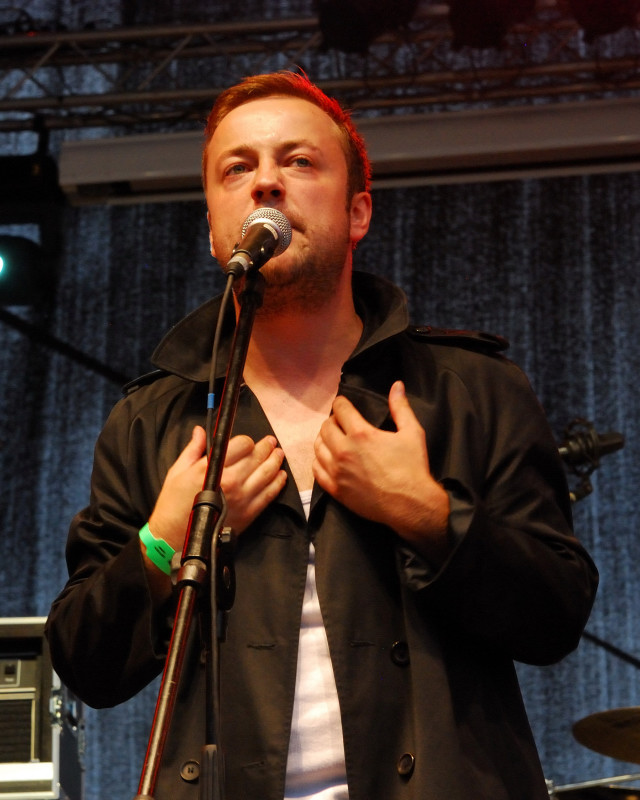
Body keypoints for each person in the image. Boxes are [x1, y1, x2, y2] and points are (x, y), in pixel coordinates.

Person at [46, 71, 598, 800]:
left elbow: (555, 616)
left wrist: (428, 515)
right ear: (214, 226)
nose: (266, 183)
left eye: (299, 162)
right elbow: (85, 667)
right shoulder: (154, 420)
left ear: (358, 210)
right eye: (237, 168)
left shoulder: (471, 388)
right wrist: (161, 543)